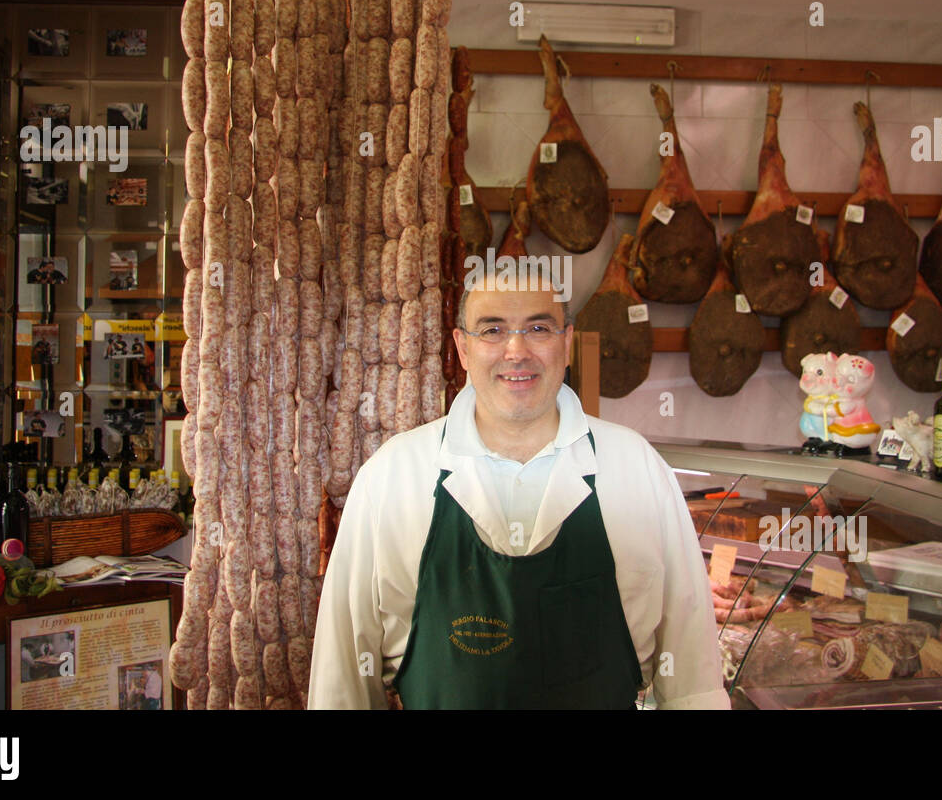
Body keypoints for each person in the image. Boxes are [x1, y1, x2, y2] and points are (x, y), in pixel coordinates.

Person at [309, 264, 728, 709]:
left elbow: (692, 682)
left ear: (567, 344)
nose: (516, 351)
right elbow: (343, 683)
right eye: (492, 330)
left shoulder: (638, 468)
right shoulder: (392, 475)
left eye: (538, 328)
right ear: (462, 348)